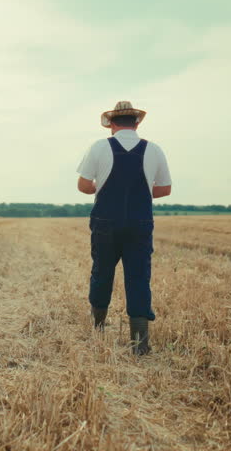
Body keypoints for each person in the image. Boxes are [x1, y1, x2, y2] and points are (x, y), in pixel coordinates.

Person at [76, 101, 172, 355]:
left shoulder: (98, 147)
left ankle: (98, 327)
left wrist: (105, 186)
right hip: (140, 223)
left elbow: (84, 186)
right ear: (137, 123)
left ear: (112, 124)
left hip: (106, 222)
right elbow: (164, 190)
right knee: (139, 278)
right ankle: (140, 344)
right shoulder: (154, 150)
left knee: (102, 273)